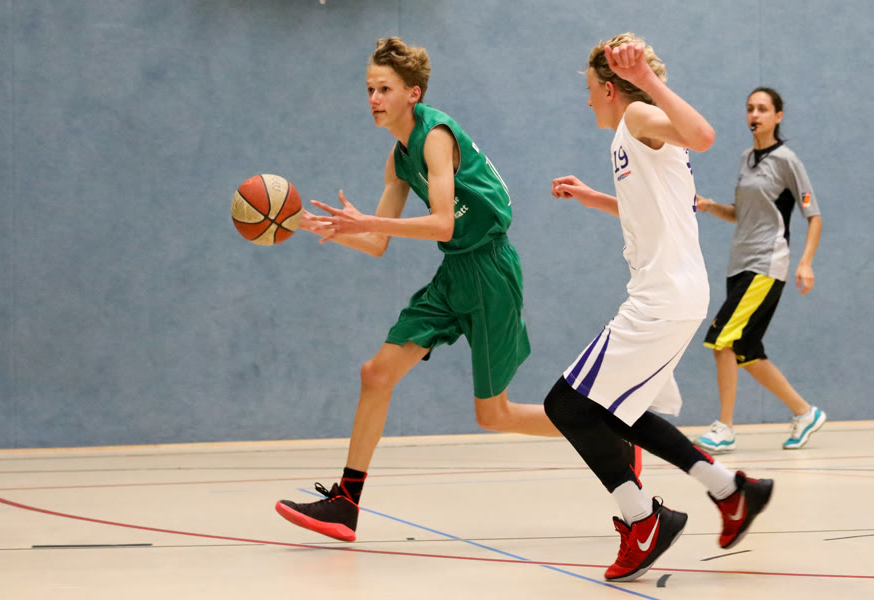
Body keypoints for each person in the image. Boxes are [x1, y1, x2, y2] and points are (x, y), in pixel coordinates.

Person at [274, 37, 639, 543]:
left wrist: (367, 222)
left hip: (490, 272)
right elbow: (377, 242)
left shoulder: (435, 136)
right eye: (370, 89)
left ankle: (614, 436)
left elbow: (443, 222)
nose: (374, 98)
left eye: (385, 89)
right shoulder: (398, 159)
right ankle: (346, 503)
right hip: (453, 274)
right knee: (376, 374)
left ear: (413, 93)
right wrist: (311, 224)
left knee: (494, 414)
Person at [542, 33, 773, 582]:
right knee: (614, 410)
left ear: (609, 88)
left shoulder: (638, 115)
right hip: (671, 293)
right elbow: (654, 207)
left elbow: (704, 135)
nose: (587, 101)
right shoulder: (631, 135)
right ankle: (730, 491)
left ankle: (643, 521)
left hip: (664, 296)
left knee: (567, 405)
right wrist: (594, 197)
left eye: (590, 89)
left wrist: (644, 79)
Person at [693, 87, 825, 453]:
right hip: (739, 264)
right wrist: (709, 205)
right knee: (747, 350)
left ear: (778, 116)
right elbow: (742, 215)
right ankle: (805, 412)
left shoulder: (787, 160)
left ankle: (725, 428)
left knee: (721, 340)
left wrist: (805, 262)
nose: (755, 114)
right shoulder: (746, 159)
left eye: (763, 109)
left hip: (766, 264)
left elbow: (814, 216)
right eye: (750, 108)